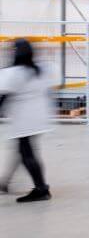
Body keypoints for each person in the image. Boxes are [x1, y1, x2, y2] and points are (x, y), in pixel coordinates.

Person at [0, 39, 54, 202]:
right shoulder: (40, 70)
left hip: (24, 118)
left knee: (26, 153)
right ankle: (4, 182)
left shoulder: (14, 72)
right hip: (39, 115)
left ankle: (41, 188)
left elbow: (4, 96)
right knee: (22, 150)